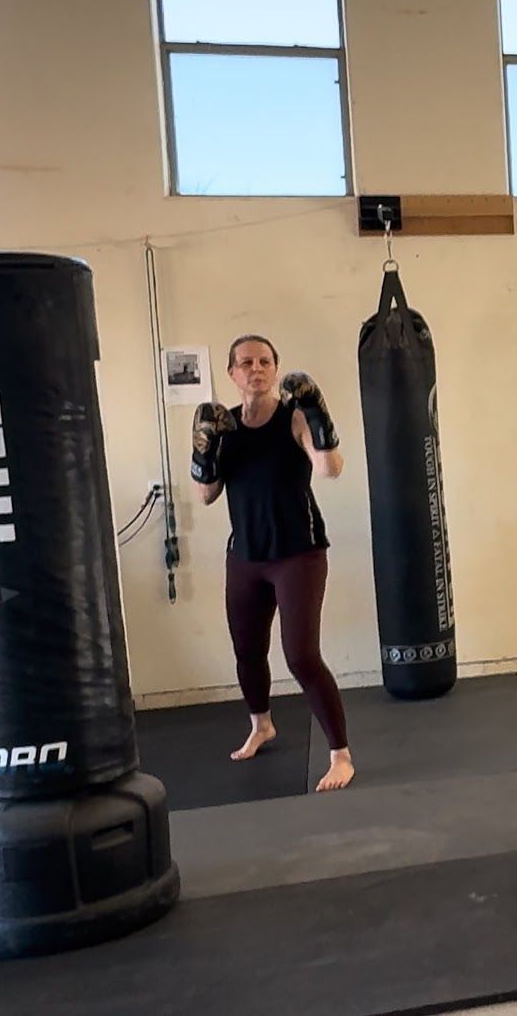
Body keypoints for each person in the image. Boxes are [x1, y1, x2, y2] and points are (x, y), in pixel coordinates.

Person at [191, 334, 356, 792]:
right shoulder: (224, 428)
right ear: (232, 373)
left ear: (275, 368)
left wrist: (320, 418)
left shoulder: (295, 418)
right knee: (247, 650)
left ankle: (340, 754)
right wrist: (202, 452)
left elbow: (329, 470)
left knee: (301, 655)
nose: (256, 369)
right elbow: (206, 496)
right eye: (246, 362)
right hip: (244, 556)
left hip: (299, 553)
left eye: (265, 361)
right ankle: (261, 724)